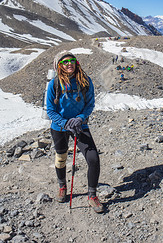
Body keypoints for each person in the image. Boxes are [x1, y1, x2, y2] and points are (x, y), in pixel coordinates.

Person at [46, 50, 104, 213]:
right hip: (60, 127)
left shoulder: (85, 81)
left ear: (76, 63)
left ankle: (92, 195)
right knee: (61, 158)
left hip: (80, 125)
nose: (69, 64)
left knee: (93, 159)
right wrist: (65, 123)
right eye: (65, 62)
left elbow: (90, 104)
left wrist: (79, 119)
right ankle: (62, 186)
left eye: (72, 60)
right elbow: (50, 110)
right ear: (59, 66)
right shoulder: (54, 84)